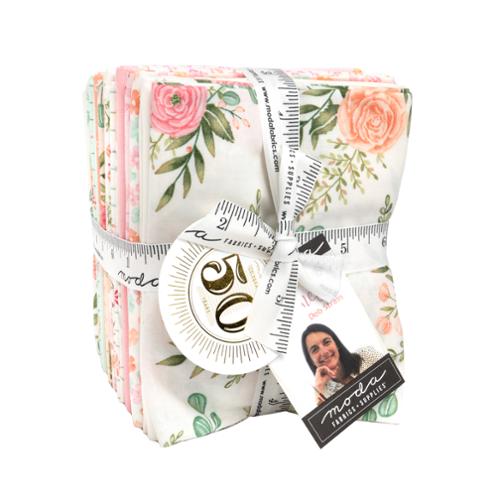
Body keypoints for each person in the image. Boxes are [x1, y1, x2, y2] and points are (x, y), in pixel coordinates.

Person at [301, 323, 384, 406]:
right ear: (311, 361)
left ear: (336, 344)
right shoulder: (323, 392)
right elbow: (323, 414)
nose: (324, 352)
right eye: (315, 349)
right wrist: (319, 387)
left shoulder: (366, 355)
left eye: (326, 342)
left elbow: (391, 374)